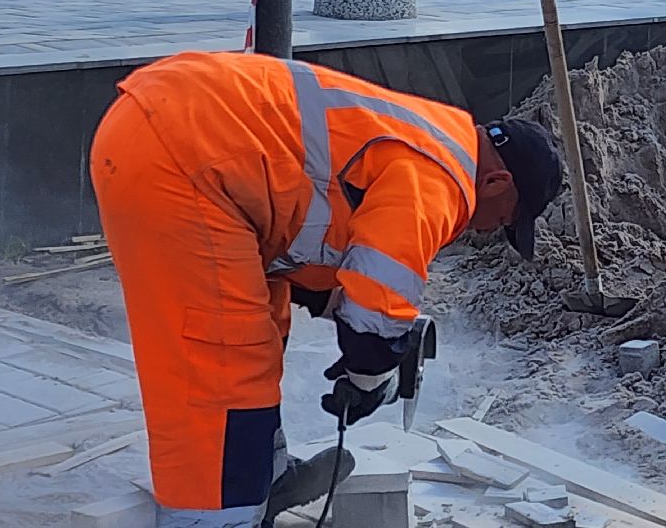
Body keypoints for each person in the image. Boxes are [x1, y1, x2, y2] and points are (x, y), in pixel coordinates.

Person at [90, 51, 564, 527]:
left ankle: (266, 479)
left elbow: (318, 228)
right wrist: (369, 376)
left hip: (183, 129)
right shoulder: (443, 178)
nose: (486, 230)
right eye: (503, 219)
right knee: (220, 363)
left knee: (260, 329)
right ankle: (213, 519)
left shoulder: (429, 137)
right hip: (184, 156)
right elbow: (378, 297)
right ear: (498, 181)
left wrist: (341, 312)